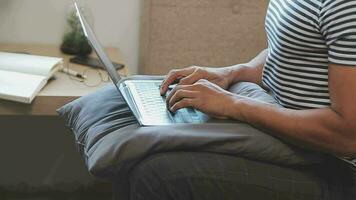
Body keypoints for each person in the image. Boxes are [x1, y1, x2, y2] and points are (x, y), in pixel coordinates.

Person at [128, 0, 356, 199]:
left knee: (157, 174)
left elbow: (347, 136)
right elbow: (292, 51)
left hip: (337, 170)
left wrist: (231, 104)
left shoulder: (346, 7)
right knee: (130, 123)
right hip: (284, 134)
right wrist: (233, 72)